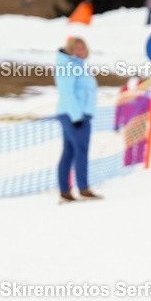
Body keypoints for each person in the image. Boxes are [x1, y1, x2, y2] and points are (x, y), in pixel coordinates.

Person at [55, 37, 101, 201]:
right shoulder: (68, 66)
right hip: (75, 115)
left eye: (82, 47)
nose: (80, 51)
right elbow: (67, 92)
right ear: (70, 49)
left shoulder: (77, 66)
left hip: (78, 113)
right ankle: (83, 188)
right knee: (81, 150)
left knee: (69, 152)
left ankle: (65, 191)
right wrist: (76, 116)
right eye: (76, 48)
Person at [114, 77, 151, 166]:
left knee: (135, 146)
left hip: (136, 125)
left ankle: (132, 164)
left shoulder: (143, 97)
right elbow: (118, 111)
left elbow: (118, 112)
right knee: (135, 147)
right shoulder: (127, 96)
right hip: (134, 125)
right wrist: (116, 125)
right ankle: (132, 164)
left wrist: (116, 125)